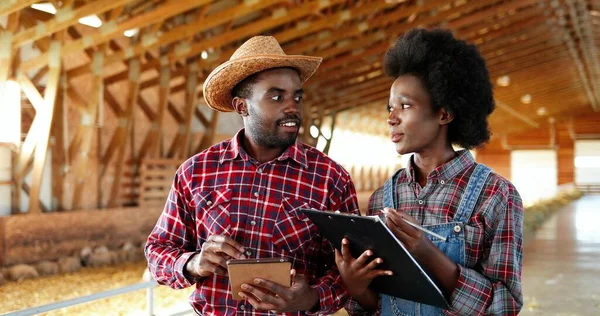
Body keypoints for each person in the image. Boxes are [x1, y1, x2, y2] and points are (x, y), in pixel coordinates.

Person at [144, 36, 360, 315]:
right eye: (276, 96)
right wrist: (193, 263)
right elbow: (158, 251)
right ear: (241, 107)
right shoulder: (196, 171)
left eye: (297, 96)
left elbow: (353, 267)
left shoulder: (330, 179)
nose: (292, 106)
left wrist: (312, 298)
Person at [336, 28, 524, 315]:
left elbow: (505, 306)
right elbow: (377, 306)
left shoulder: (497, 195)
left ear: (444, 114)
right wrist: (357, 288)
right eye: (390, 107)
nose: (391, 118)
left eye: (405, 105)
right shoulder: (381, 199)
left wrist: (427, 253)